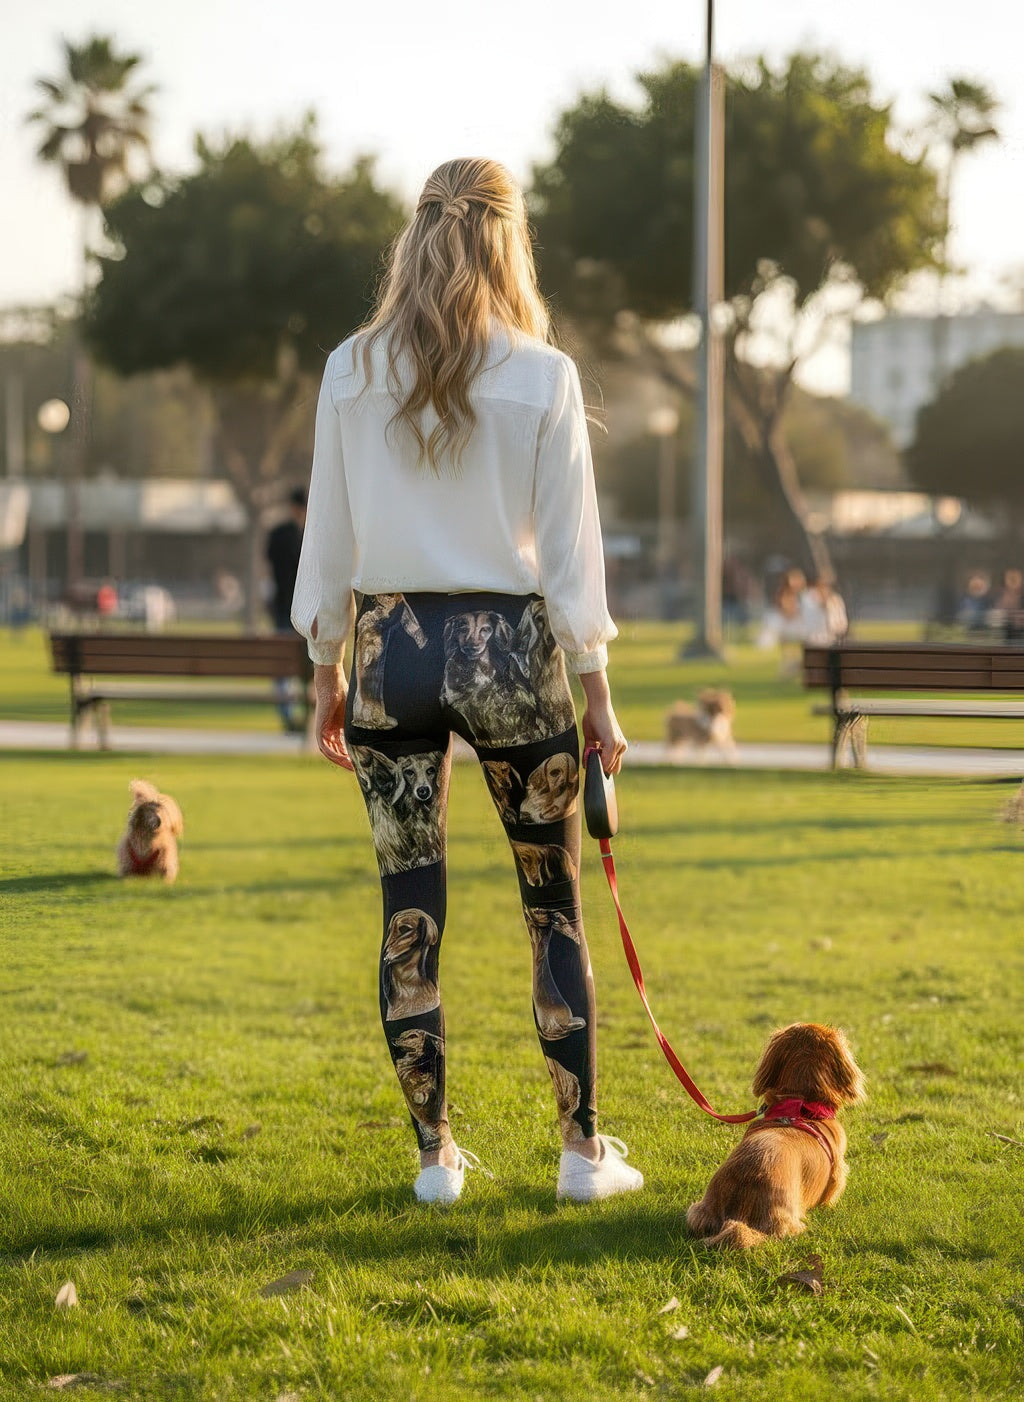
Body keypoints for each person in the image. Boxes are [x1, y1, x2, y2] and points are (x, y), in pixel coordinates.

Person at [291, 157, 640, 1207]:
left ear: (415, 235)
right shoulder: (543, 373)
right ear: (509, 240)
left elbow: (328, 539)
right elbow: (572, 560)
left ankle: (434, 1160)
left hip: (388, 652)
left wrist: (325, 667)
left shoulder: (350, 368)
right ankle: (580, 1154)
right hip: (513, 656)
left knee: (410, 907)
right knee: (552, 904)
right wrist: (598, 691)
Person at [265, 487, 307, 731]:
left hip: (281, 607)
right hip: (302, 610)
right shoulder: (305, 537)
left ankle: (287, 714)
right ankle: (304, 715)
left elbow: (269, 569)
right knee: (304, 664)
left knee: (283, 666)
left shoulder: (277, 534)